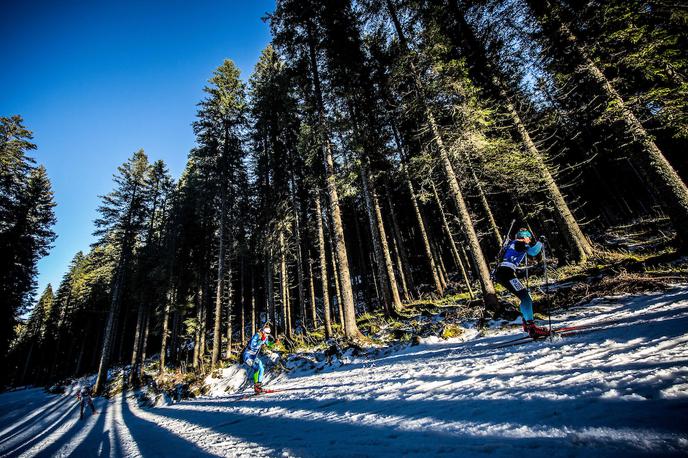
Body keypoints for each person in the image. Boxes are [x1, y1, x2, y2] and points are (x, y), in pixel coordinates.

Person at [494, 228, 549, 338]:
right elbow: (533, 252)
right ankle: (531, 326)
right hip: (506, 273)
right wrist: (540, 242)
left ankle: (526, 323)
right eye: (529, 238)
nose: (529, 240)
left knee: (526, 296)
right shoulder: (520, 243)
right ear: (524, 237)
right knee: (526, 298)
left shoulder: (512, 243)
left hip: (504, 273)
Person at [242, 324, 276, 394]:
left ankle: (259, 385)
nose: (267, 335)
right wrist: (261, 340)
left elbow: (268, 344)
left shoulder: (265, 337)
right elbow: (252, 346)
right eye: (266, 333)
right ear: (263, 331)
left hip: (254, 356)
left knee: (261, 368)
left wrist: (274, 342)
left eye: (269, 334)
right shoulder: (257, 335)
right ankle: (256, 387)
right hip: (247, 356)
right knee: (256, 368)